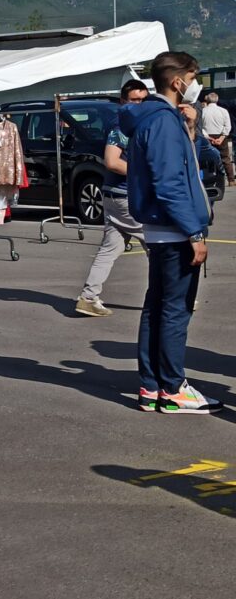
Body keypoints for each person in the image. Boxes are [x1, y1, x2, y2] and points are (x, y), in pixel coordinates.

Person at [119, 52, 220, 414]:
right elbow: (170, 182)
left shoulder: (159, 119)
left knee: (157, 306)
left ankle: (152, 386)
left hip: (163, 228)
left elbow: (182, 166)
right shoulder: (161, 121)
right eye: (194, 77)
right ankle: (173, 386)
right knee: (175, 310)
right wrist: (194, 233)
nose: (197, 85)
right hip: (174, 230)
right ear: (178, 82)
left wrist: (191, 132)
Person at [75, 80, 149, 317]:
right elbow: (112, 161)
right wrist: (145, 172)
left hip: (113, 195)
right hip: (126, 196)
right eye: (134, 100)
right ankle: (171, 297)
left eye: (143, 100)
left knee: (110, 248)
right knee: (159, 246)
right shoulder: (121, 127)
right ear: (123, 101)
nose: (139, 104)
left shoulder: (130, 124)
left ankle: (88, 297)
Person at [200, 92, 234, 185]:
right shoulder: (223, 111)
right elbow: (228, 126)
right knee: (225, 158)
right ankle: (231, 180)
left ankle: (211, 180)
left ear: (207, 100)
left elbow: (201, 127)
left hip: (208, 137)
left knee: (209, 159)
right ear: (217, 100)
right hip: (221, 136)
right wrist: (222, 137)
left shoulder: (203, 111)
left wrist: (209, 137)